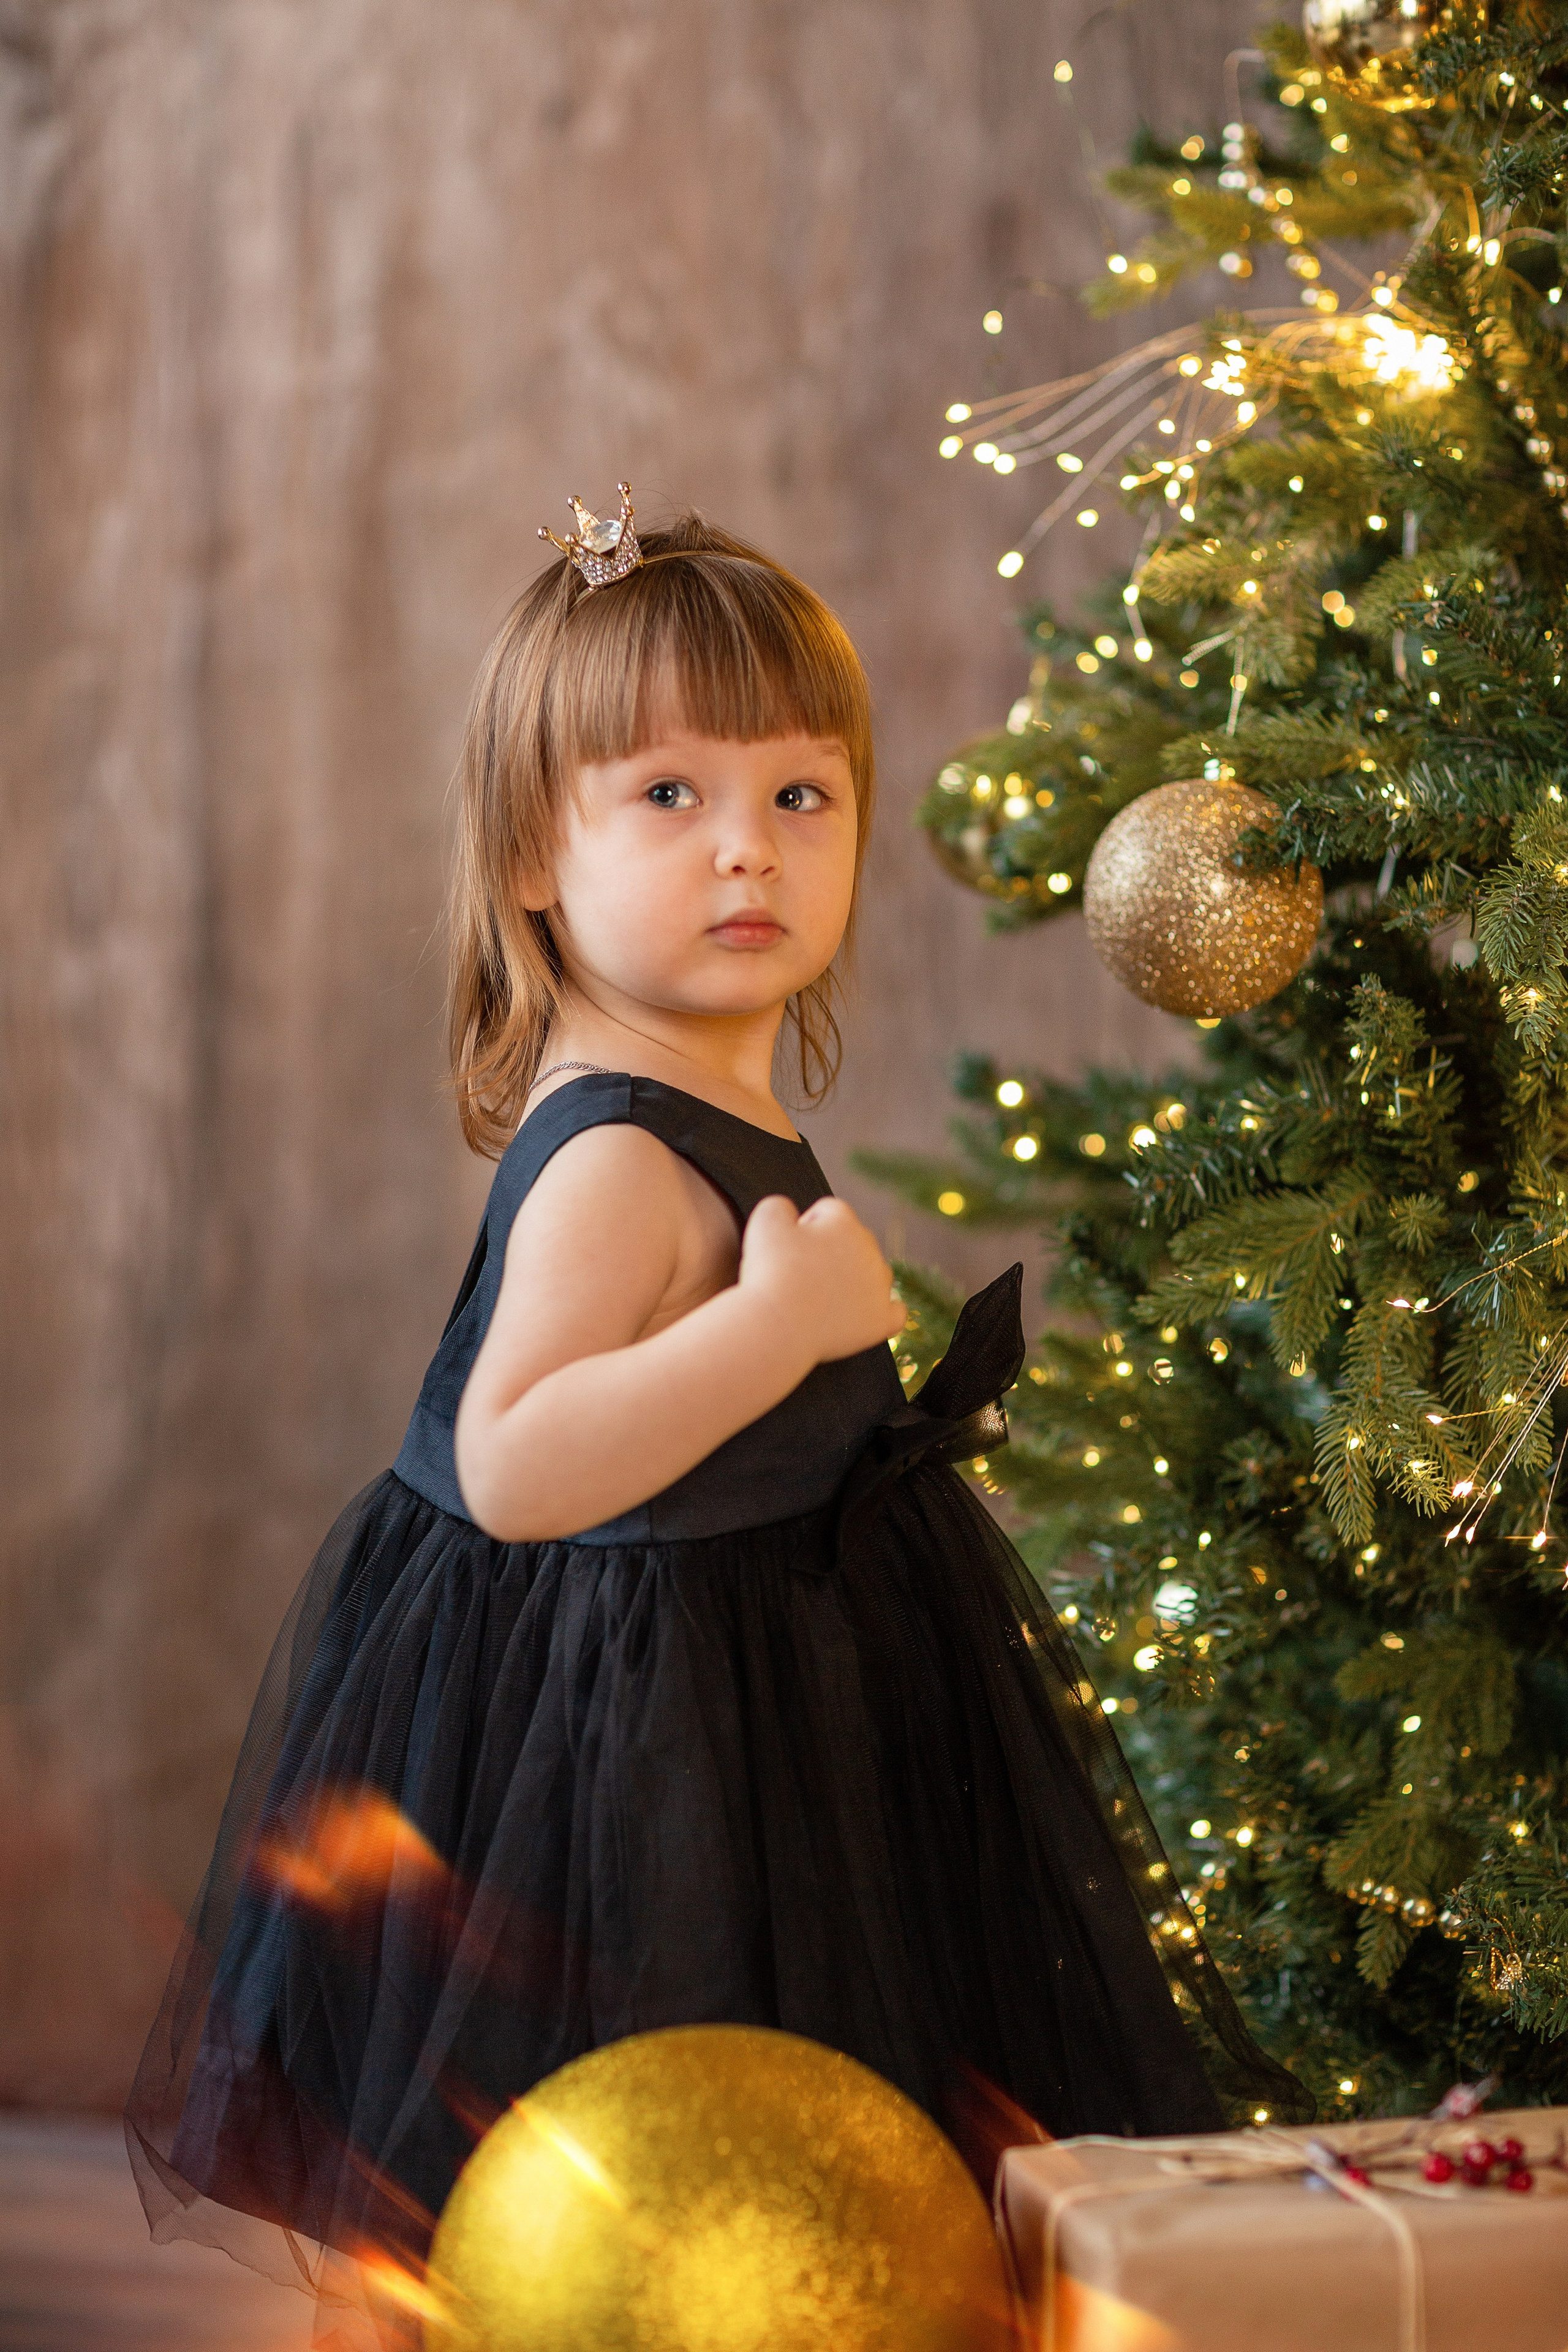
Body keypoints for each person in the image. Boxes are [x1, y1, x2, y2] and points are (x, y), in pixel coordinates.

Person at [126, 496, 1305, 2296]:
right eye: (669, 797)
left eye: (796, 797)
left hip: (775, 1657)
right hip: (643, 1727)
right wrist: (771, 1335)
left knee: (833, 2124)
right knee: (667, 2123)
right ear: (537, 854)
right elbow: (516, 1462)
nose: (745, 850)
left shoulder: (692, 1085)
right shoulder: (612, 1156)